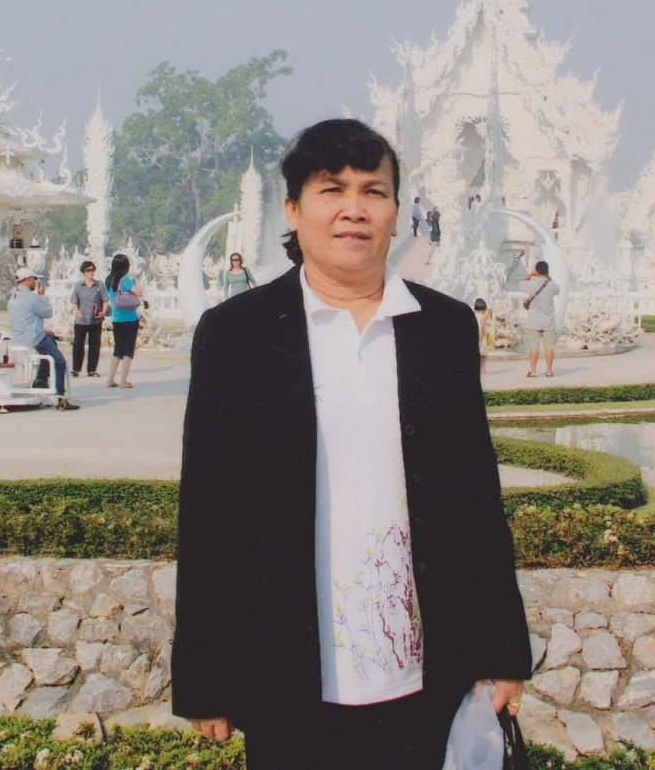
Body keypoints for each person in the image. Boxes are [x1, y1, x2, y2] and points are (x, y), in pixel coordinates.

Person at [174, 118, 531, 770]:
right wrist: (205, 675)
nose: (354, 209)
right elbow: (208, 511)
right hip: (287, 669)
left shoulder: (444, 327)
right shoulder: (237, 334)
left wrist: (504, 649)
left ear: (397, 209)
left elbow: (475, 499)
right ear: (293, 209)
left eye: (374, 191)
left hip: (425, 671)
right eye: (331, 189)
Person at [8, 266, 79, 410]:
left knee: (50, 341)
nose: (36, 282)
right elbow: (48, 312)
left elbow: (26, 319)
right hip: (34, 340)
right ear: (27, 279)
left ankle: (41, 379)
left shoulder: (13, 297)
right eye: (34, 279)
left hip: (19, 340)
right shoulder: (32, 297)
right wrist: (42, 296)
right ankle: (60, 397)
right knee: (60, 362)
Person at [104, 254, 144, 389]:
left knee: (118, 350)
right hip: (130, 319)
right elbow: (139, 293)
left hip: (116, 319)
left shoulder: (109, 280)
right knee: (128, 350)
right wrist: (138, 282)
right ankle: (123, 381)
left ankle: (110, 379)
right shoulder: (125, 279)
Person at [520, 260, 559, 378]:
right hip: (548, 322)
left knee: (534, 347)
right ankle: (549, 371)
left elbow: (521, 283)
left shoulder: (531, 284)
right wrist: (547, 276)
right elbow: (557, 289)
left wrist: (531, 274)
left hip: (533, 321)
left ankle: (533, 371)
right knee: (549, 347)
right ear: (547, 271)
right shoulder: (552, 285)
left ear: (536, 271)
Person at [70, 260, 107, 378]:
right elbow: (74, 302)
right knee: (78, 345)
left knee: (94, 345)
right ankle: (76, 368)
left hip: (95, 319)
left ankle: (92, 369)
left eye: (92, 270)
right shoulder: (78, 286)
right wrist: (77, 311)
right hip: (81, 320)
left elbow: (105, 300)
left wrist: (103, 312)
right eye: (88, 270)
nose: (91, 272)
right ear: (84, 272)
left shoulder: (99, 285)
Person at [473, 297, 493, 375]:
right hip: (482, 338)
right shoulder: (483, 317)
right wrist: (480, 340)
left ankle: (476, 370)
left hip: (474, 336)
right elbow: (481, 329)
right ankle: (483, 370)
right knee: (483, 355)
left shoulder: (474, 315)